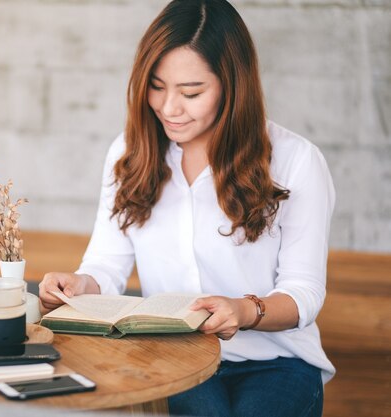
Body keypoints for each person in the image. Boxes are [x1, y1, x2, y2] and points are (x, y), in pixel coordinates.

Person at [39, 0, 335, 416]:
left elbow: (303, 293)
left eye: (191, 92)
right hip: (173, 356)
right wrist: (78, 286)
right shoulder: (130, 154)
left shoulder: (296, 161)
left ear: (232, 86)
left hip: (277, 362)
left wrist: (243, 311)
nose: (168, 108)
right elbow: (107, 265)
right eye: (157, 86)